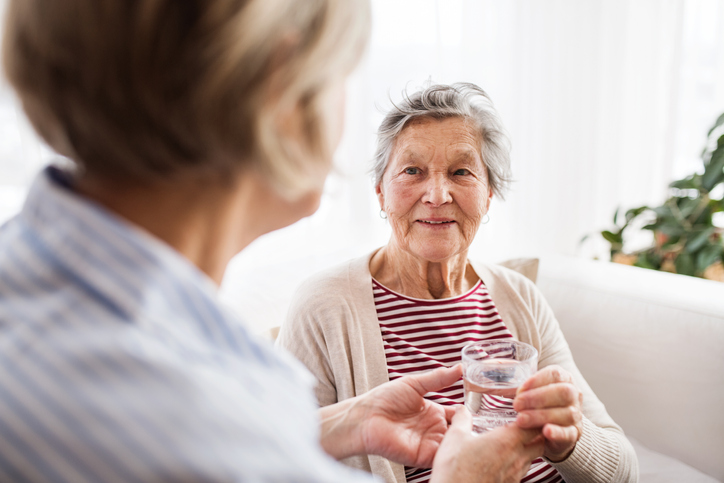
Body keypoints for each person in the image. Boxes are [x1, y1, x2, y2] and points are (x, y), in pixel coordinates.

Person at [0, 2, 545, 482]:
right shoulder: (191, 426)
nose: (436, 195)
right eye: (340, 73)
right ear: (280, 89)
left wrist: (342, 422)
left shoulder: (29, 270)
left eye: (461, 174)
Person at [278, 83, 640, 483]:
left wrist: (571, 441)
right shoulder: (323, 305)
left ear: (488, 194)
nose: (437, 195)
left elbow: (623, 470)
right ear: (380, 192)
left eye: (461, 171)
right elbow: (281, 465)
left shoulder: (518, 296)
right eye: (412, 170)